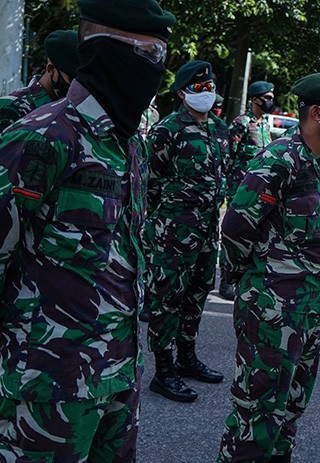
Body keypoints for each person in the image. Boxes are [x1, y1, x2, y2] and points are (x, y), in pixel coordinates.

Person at [0, 0, 174, 459]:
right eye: (150, 55)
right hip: (46, 387)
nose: (159, 72)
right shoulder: (42, 137)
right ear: (104, 49)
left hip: (118, 375)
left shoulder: (129, 143)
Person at [217, 72, 320, 462]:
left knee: (290, 408)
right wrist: (257, 279)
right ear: (317, 113)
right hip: (271, 311)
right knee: (256, 416)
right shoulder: (280, 159)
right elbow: (235, 227)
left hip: (308, 310)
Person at [144, 60, 229, 402]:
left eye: (209, 87)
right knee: (168, 298)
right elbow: (150, 182)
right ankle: (163, 371)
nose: (206, 93)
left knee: (197, 292)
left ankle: (187, 357)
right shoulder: (167, 129)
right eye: (198, 89)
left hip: (209, 229)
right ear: (182, 94)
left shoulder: (220, 129)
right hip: (173, 230)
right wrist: (165, 217)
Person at [218, 80, 275, 300]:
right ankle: (226, 280)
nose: (270, 101)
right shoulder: (242, 123)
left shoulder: (264, 125)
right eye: (266, 97)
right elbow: (228, 155)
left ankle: (244, 277)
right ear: (254, 99)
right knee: (234, 231)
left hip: (258, 189)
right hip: (239, 187)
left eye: (271, 97)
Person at [0, 30, 79, 132]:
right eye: (72, 79)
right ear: (51, 70)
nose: (78, 85)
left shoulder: (76, 113)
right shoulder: (9, 108)